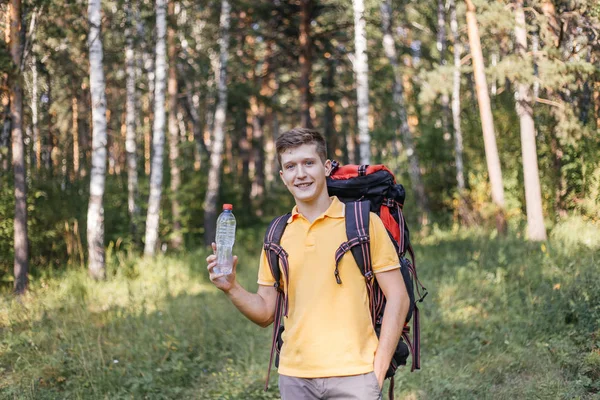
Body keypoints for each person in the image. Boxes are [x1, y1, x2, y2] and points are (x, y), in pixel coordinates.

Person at [206, 128, 410, 400]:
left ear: (325, 167)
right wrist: (232, 288)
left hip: (356, 376)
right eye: (290, 166)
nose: (300, 174)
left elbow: (398, 297)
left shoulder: (363, 223)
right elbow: (266, 312)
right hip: (295, 378)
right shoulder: (277, 233)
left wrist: (377, 371)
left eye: (308, 163)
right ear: (282, 176)